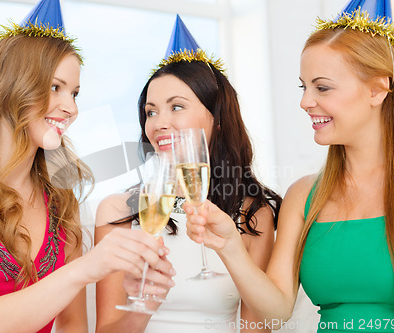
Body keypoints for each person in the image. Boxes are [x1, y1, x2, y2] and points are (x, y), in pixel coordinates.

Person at [0, 0, 171, 332]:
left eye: (75, 93)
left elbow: (72, 328)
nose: (71, 108)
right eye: (55, 88)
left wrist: (145, 303)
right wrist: (86, 268)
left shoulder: (62, 204)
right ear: (10, 88)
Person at [185, 1, 394, 332]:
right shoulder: (305, 194)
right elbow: (276, 310)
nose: (305, 101)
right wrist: (230, 247)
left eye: (322, 87)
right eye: (303, 87)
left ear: (377, 90)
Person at [94, 15, 282, 333]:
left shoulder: (252, 212)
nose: (158, 123)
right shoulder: (118, 211)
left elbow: (258, 326)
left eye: (176, 107)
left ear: (218, 119)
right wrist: (145, 306)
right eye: (150, 111)